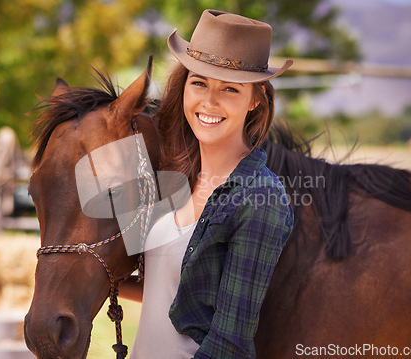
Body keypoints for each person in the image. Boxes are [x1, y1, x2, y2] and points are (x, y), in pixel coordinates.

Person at [120, 9, 294, 359]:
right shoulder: (178, 177)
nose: (209, 102)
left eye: (230, 88)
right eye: (199, 82)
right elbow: (174, 294)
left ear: (256, 99)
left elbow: (230, 343)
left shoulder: (261, 198)